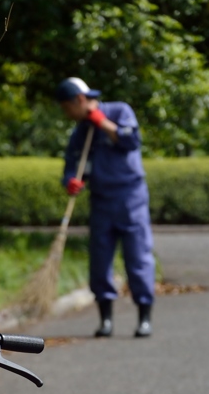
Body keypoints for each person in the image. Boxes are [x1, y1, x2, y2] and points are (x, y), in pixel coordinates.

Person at [56, 77, 155, 338]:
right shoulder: (80, 132)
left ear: (79, 100)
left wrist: (101, 121)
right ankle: (105, 320)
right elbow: (71, 163)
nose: (67, 114)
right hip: (101, 200)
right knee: (100, 261)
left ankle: (144, 317)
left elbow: (130, 141)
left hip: (130, 196)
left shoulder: (120, 111)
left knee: (138, 257)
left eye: (67, 108)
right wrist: (71, 181)